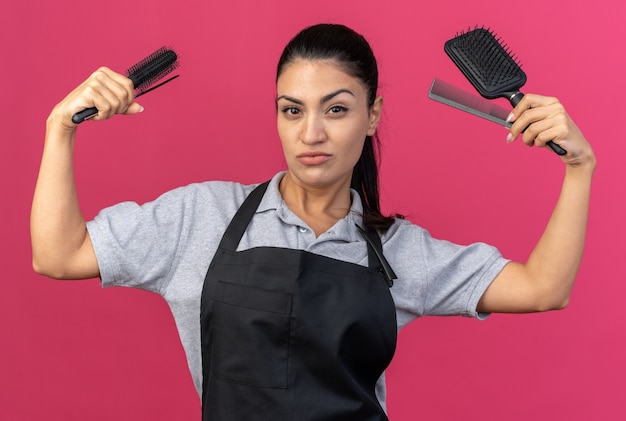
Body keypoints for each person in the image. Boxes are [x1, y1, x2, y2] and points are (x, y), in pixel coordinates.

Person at [31, 23, 595, 420]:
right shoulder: (199, 218)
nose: (311, 134)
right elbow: (57, 256)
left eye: (338, 108)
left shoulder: (396, 251)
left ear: (372, 116)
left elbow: (544, 288)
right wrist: (61, 128)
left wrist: (580, 167)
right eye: (292, 109)